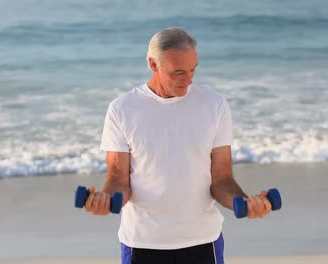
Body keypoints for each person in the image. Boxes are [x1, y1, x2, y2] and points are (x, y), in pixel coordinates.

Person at [85, 27, 272, 264]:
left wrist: (244, 203)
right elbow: (118, 180)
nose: (189, 79)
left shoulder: (214, 105)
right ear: (153, 65)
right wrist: (105, 200)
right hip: (142, 243)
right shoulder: (122, 110)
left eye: (193, 69)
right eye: (179, 72)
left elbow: (222, 179)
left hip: (203, 242)